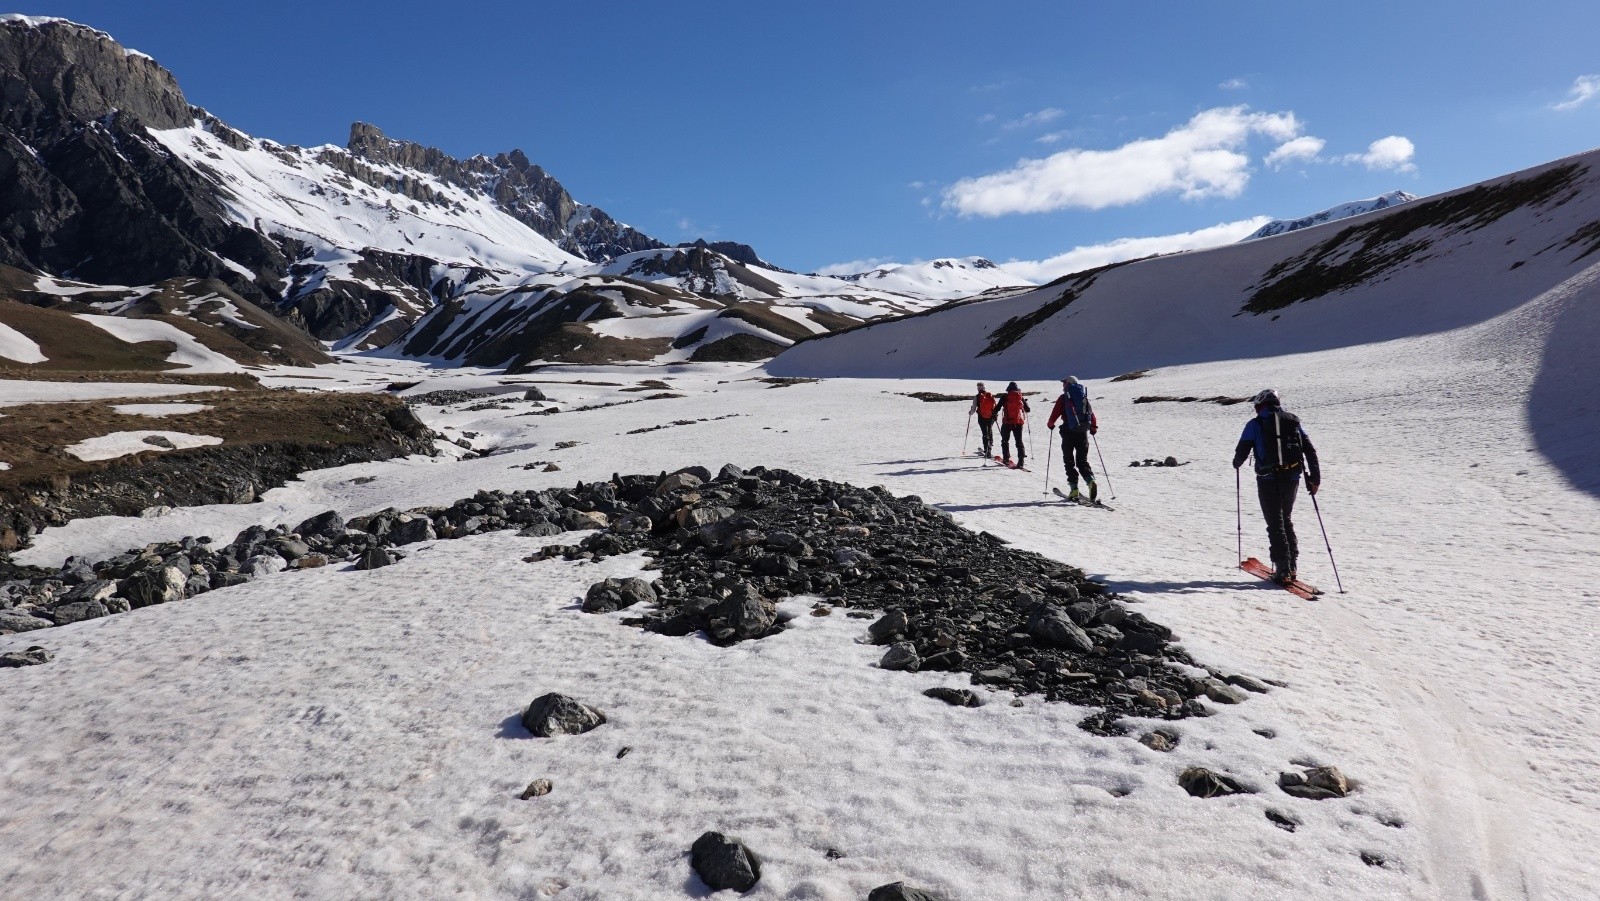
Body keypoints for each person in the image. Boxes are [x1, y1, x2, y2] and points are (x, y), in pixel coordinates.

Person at [1232, 388, 1321, 582]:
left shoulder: (1255, 424)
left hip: (1268, 479)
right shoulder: (1293, 422)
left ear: (1260, 405)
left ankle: (1283, 569)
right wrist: (1315, 478)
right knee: (1285, 519)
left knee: (1275, 523)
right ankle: (1292, 566)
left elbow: (1242, 450)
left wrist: (1236, 463)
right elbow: (1309, 450)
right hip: (1292, 478)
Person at [1046, 376, 1098, 500]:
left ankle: (1074, 489)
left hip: (1068, 432)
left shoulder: (1064, 398)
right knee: (1082, 461)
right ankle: (1090, 481)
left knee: (1069, 461)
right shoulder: (1083, 397)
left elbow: (1055, 413)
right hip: (1082, 432)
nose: (1063, 385)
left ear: (1068, 384)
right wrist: (1093, 427)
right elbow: (1090, 413)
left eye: (1064, 383)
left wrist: (1050, 424)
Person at [997, 381, 1030, 467]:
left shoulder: (1004, 397)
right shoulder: (1020, 397)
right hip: (1018, 423)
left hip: (1007, 422)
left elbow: (997, 408)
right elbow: (1028, 409)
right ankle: (1021, 461)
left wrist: (993, 414)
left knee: (1005, 440)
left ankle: (1006, 458)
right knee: (1019, 441)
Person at [968, 382, 998, 458]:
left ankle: (987, 450)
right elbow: (995, 407)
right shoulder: (990, 395)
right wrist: (995, 416)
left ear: (978, 388)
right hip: (991, 417)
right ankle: (990, 446)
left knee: (985, 433)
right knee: (989, 430)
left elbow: (973, 409)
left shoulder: (977, 397)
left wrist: (970, 413)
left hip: (981, 417)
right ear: (984, 387)